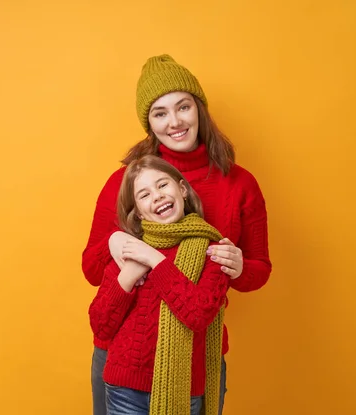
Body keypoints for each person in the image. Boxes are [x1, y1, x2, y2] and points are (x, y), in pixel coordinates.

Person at [83, 54, 271, 415]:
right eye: (159, 113)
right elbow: (93, 273)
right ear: (148, 123)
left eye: (183, 107)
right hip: (124, 359)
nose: (175, 122)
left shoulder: (240, 184)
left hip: (197, 356)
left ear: (199, 109)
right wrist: (112, 243)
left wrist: (239, 265)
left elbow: (257, 271)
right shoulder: (124, 184)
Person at [89, 155, 229, 415]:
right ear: (138, 211)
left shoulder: (214, 251)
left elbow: (197, 315)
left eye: (163, 185)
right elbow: (101, 325)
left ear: (182, 190)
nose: (156, 196)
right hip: (125, 389)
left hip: (184, 389)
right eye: (144, 194)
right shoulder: (128, 250)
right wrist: (128, 276)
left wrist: (155, 260)